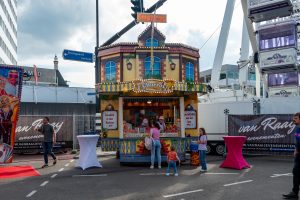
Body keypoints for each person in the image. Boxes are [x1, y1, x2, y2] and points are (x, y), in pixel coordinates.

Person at [283, 112, 300, 199]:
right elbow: (298, 141)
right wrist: (296, 149)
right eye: (294, 118)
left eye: (296, 118)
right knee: (296, 172)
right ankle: (294, 193)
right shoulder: (297, 128)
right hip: (298, 155)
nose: (293, 120)